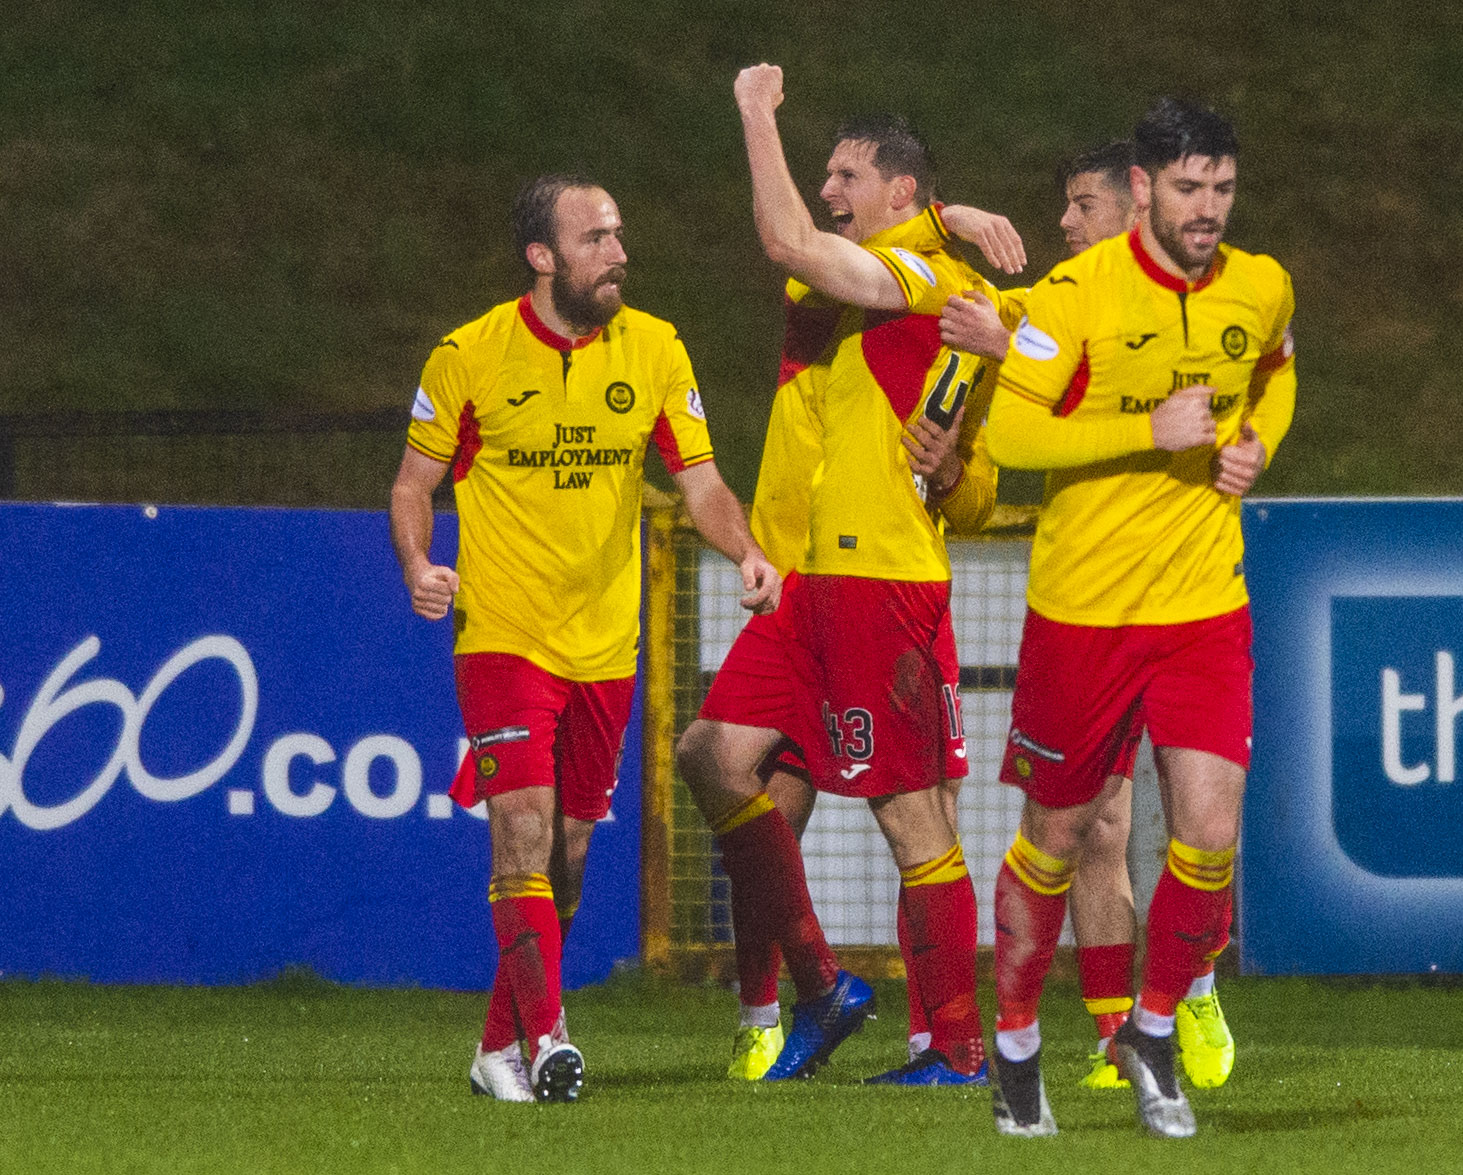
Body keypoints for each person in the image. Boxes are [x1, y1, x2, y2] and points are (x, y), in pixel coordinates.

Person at [389, 174, 780, 1103]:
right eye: (596, 238)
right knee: (519, 834)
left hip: (606, 644)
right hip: (505, 634)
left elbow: (702, 484)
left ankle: (499, 1048)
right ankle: (552, 1036)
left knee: (564, 861)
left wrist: (747, 549)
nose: (619, 253)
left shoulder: (654, 349)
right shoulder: (469, 355)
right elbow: (414, 483)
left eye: (619, 234)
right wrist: (416, 564)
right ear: (543, 256)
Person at [676, 62, 1028, 1088]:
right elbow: (802, 252)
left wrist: (751, 114)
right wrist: (944, 211)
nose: (827, 189)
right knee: (708, 755)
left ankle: (956, 1047)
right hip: (803, 588)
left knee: (912, 818)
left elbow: (970, 488)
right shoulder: (855, 282)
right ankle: (824, 987)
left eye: (845, 173)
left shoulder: (941, 288)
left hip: (880, 583)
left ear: (897, 193)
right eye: (823, 171)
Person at [980, 98, 1296, 1138]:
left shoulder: (1259, 283)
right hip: (1085, 611)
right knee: (1057, 839)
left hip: (1205, 602)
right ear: (1145, 189)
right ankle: (1016, 1037)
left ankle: (1153, 1027)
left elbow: (1275, 369)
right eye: (1190, 189)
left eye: (1223, 189)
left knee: (1208, 834)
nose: (1208, 209)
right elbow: (1013, 426)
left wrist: (1252, 444)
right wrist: (1142, 428)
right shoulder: (1072, 294)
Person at [941, 140, 1237, 1095]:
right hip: (1085, 603)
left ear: (1133, 206)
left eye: (1079, 204)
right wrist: (950, 223)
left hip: (1183, 597)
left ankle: (1186, 989)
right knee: (1096, 827)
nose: (1063, 223)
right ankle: (1119, 1034)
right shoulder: (1057, 306)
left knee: (1196, 824)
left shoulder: (1191, 312)